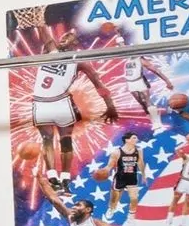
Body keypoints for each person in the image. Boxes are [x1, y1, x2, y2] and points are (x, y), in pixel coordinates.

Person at [23, 27, 120, 194]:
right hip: (40, 103)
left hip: (61, 103)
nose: (63, 38)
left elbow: (99, 85)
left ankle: (65, 180)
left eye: (68, 37)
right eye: (62, 37)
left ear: (75, 44)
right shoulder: (51, 51)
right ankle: (53, 178)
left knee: (65, 142)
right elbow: (44, 31)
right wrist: (38, 18)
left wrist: (110, 105)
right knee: (47, 139)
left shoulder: (80, 62)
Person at [99, 131, 149, 220]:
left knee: (134, 198)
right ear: (127, 140)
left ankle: (131, 215)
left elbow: (140, 162)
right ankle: (111, 208)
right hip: (120, 178)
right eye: (134, 138)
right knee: (114, 199)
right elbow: (110, 165)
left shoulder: (139, 150)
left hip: (132, 177)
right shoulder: (117, 152)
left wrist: (144, 175)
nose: (137, 139)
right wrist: (105, 170)